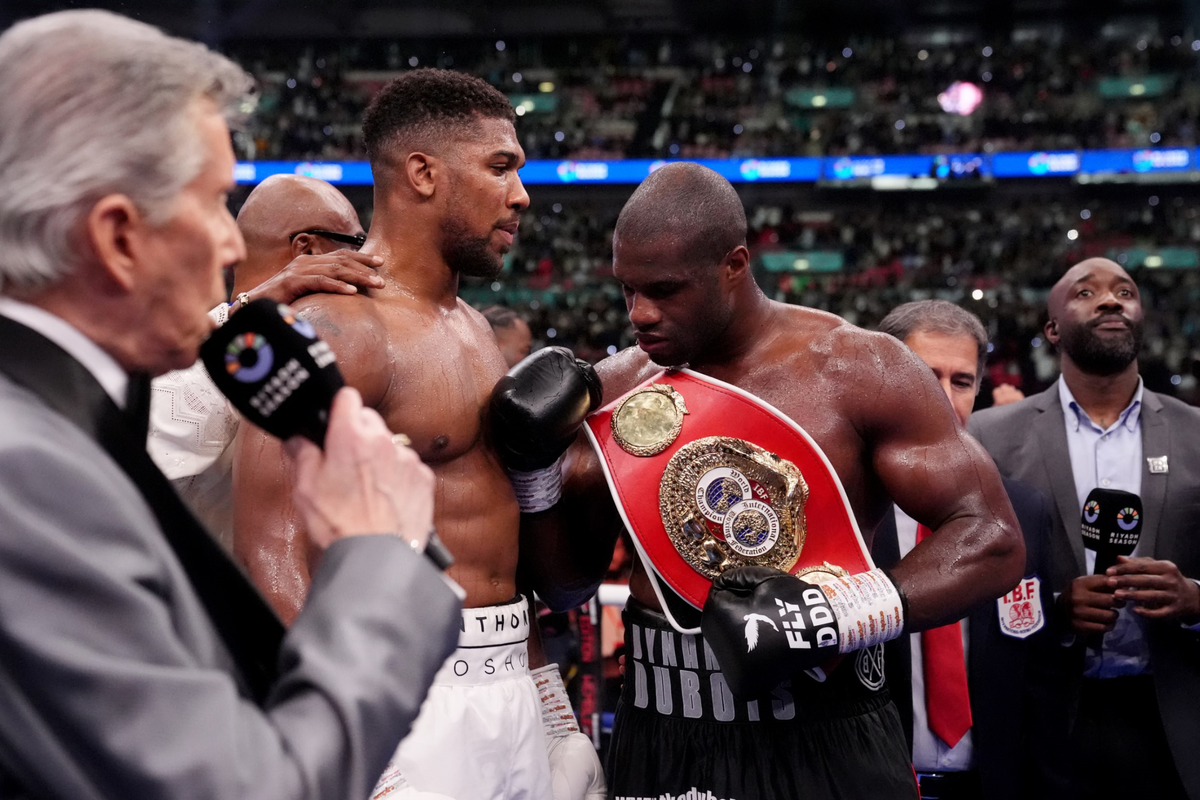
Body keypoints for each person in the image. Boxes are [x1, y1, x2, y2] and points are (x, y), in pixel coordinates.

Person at [0, 11, 460, 800]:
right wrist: (380, 553)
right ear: (117, 237)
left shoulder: (49, 413)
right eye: (216, 203)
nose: (231, 245)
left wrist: (232, 315)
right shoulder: (30, 474)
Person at [493, 163, 1023, 800]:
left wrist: (836, 615)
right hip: (664, 726)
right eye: (628, 290)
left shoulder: (858, 368)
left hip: (828, 725)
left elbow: (991, 537)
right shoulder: (614, 389)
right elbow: (566, 585)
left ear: (734, 264)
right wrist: (534, 474)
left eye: (664, 290)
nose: (641, 314)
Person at [233, 69, 604, 800]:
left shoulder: (473, 329)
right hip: (401, 699)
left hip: (510, 690)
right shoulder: (338, 327)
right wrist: (351, 747)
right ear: (424, 173)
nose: (521, 195)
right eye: (500, 167)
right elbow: (269, 550)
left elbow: (499, 548)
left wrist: (553, 713)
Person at [969, 258, 1200, 800]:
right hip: (1044, 715)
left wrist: (1194, 598)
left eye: (1125, 291)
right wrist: (1053, 611)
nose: (1110, 300)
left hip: (1172, 715)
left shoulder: (1196, 433)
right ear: (1052, 328)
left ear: (1142, 316)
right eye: (1087, 293)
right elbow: (971, 587)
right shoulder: (989, 436)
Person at [873, 300, 1068, 800]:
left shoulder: (1023, 510)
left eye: (961, 381)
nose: (943, 397)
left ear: (978, 389)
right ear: (880, 377)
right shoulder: (843, 511)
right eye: (923, 374)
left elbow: (1042, 681)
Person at [148, 174, 382, 548]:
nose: (369, 258)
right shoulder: (171, 354)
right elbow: (131, 437)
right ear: (308, 251)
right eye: (357, 242)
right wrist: (246, 309)